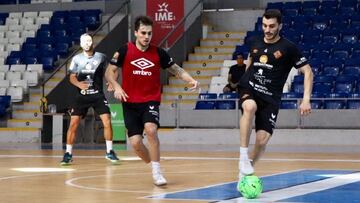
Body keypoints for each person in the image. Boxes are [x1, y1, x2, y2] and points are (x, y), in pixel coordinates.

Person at [105, 15, 199, 186]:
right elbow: (109, 72)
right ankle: (153, 164)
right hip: (129, 103)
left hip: (150, 101)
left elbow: (176, 70)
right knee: (135, 144)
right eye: (143, 33)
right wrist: (116, 86)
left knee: (151, 130)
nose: (146, 36)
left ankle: (157, 171)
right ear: (135, 33)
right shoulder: (124, 50)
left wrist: (191, 79)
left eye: (149, 33)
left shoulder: (159, 53)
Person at [237, 9, 313, 180]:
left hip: (270, 97)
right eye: (264, 25)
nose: (267, 29)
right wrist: (244, 79)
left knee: (262, 140)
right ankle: (242, 157)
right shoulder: (255, 41)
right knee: (250, 107)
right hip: (250, 87)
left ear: (280, 26)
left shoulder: (288, 48)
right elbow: (251, 59)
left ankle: (245, 170)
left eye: (272, 26)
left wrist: (306, 99)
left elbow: (308, 71)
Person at [60, 33, 119, 165]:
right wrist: (79, 84)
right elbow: (72, 77)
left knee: (107, 121)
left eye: (89, 41)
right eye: (84, 41)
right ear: (81, 44)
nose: (87, 43)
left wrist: (112, 82)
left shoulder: (101, 57)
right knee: (73, 124)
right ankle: (68, 154)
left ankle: (110, 152)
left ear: (92, 42)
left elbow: (114, 70)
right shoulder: (76, 59)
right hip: (81, 96)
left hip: (98, 95)